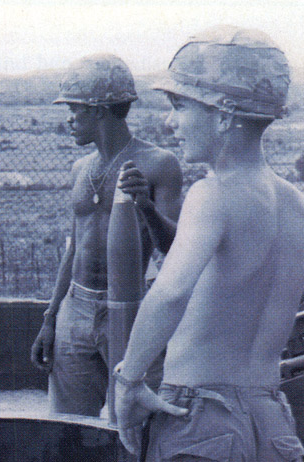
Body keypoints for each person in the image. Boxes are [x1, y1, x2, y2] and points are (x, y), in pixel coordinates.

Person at [114, 25, 304, 461]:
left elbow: (170, 293)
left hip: (202, 420)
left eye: (179, 106)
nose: (171, 122)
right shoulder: (297, 203)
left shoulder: (211, 193)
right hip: (272, 421)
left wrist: (129, 382)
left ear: (223, 114)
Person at [30, 54, 182, 417]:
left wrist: (146, 207)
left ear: (99, 111)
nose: (69, 118)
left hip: (130, 309)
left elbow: (175, 250)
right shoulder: (80, 168)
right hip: (75, 310)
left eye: (74, 109)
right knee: (70, 426)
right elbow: (74, 249)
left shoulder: (159, 164)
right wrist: (51, 318)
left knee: (136, 423)